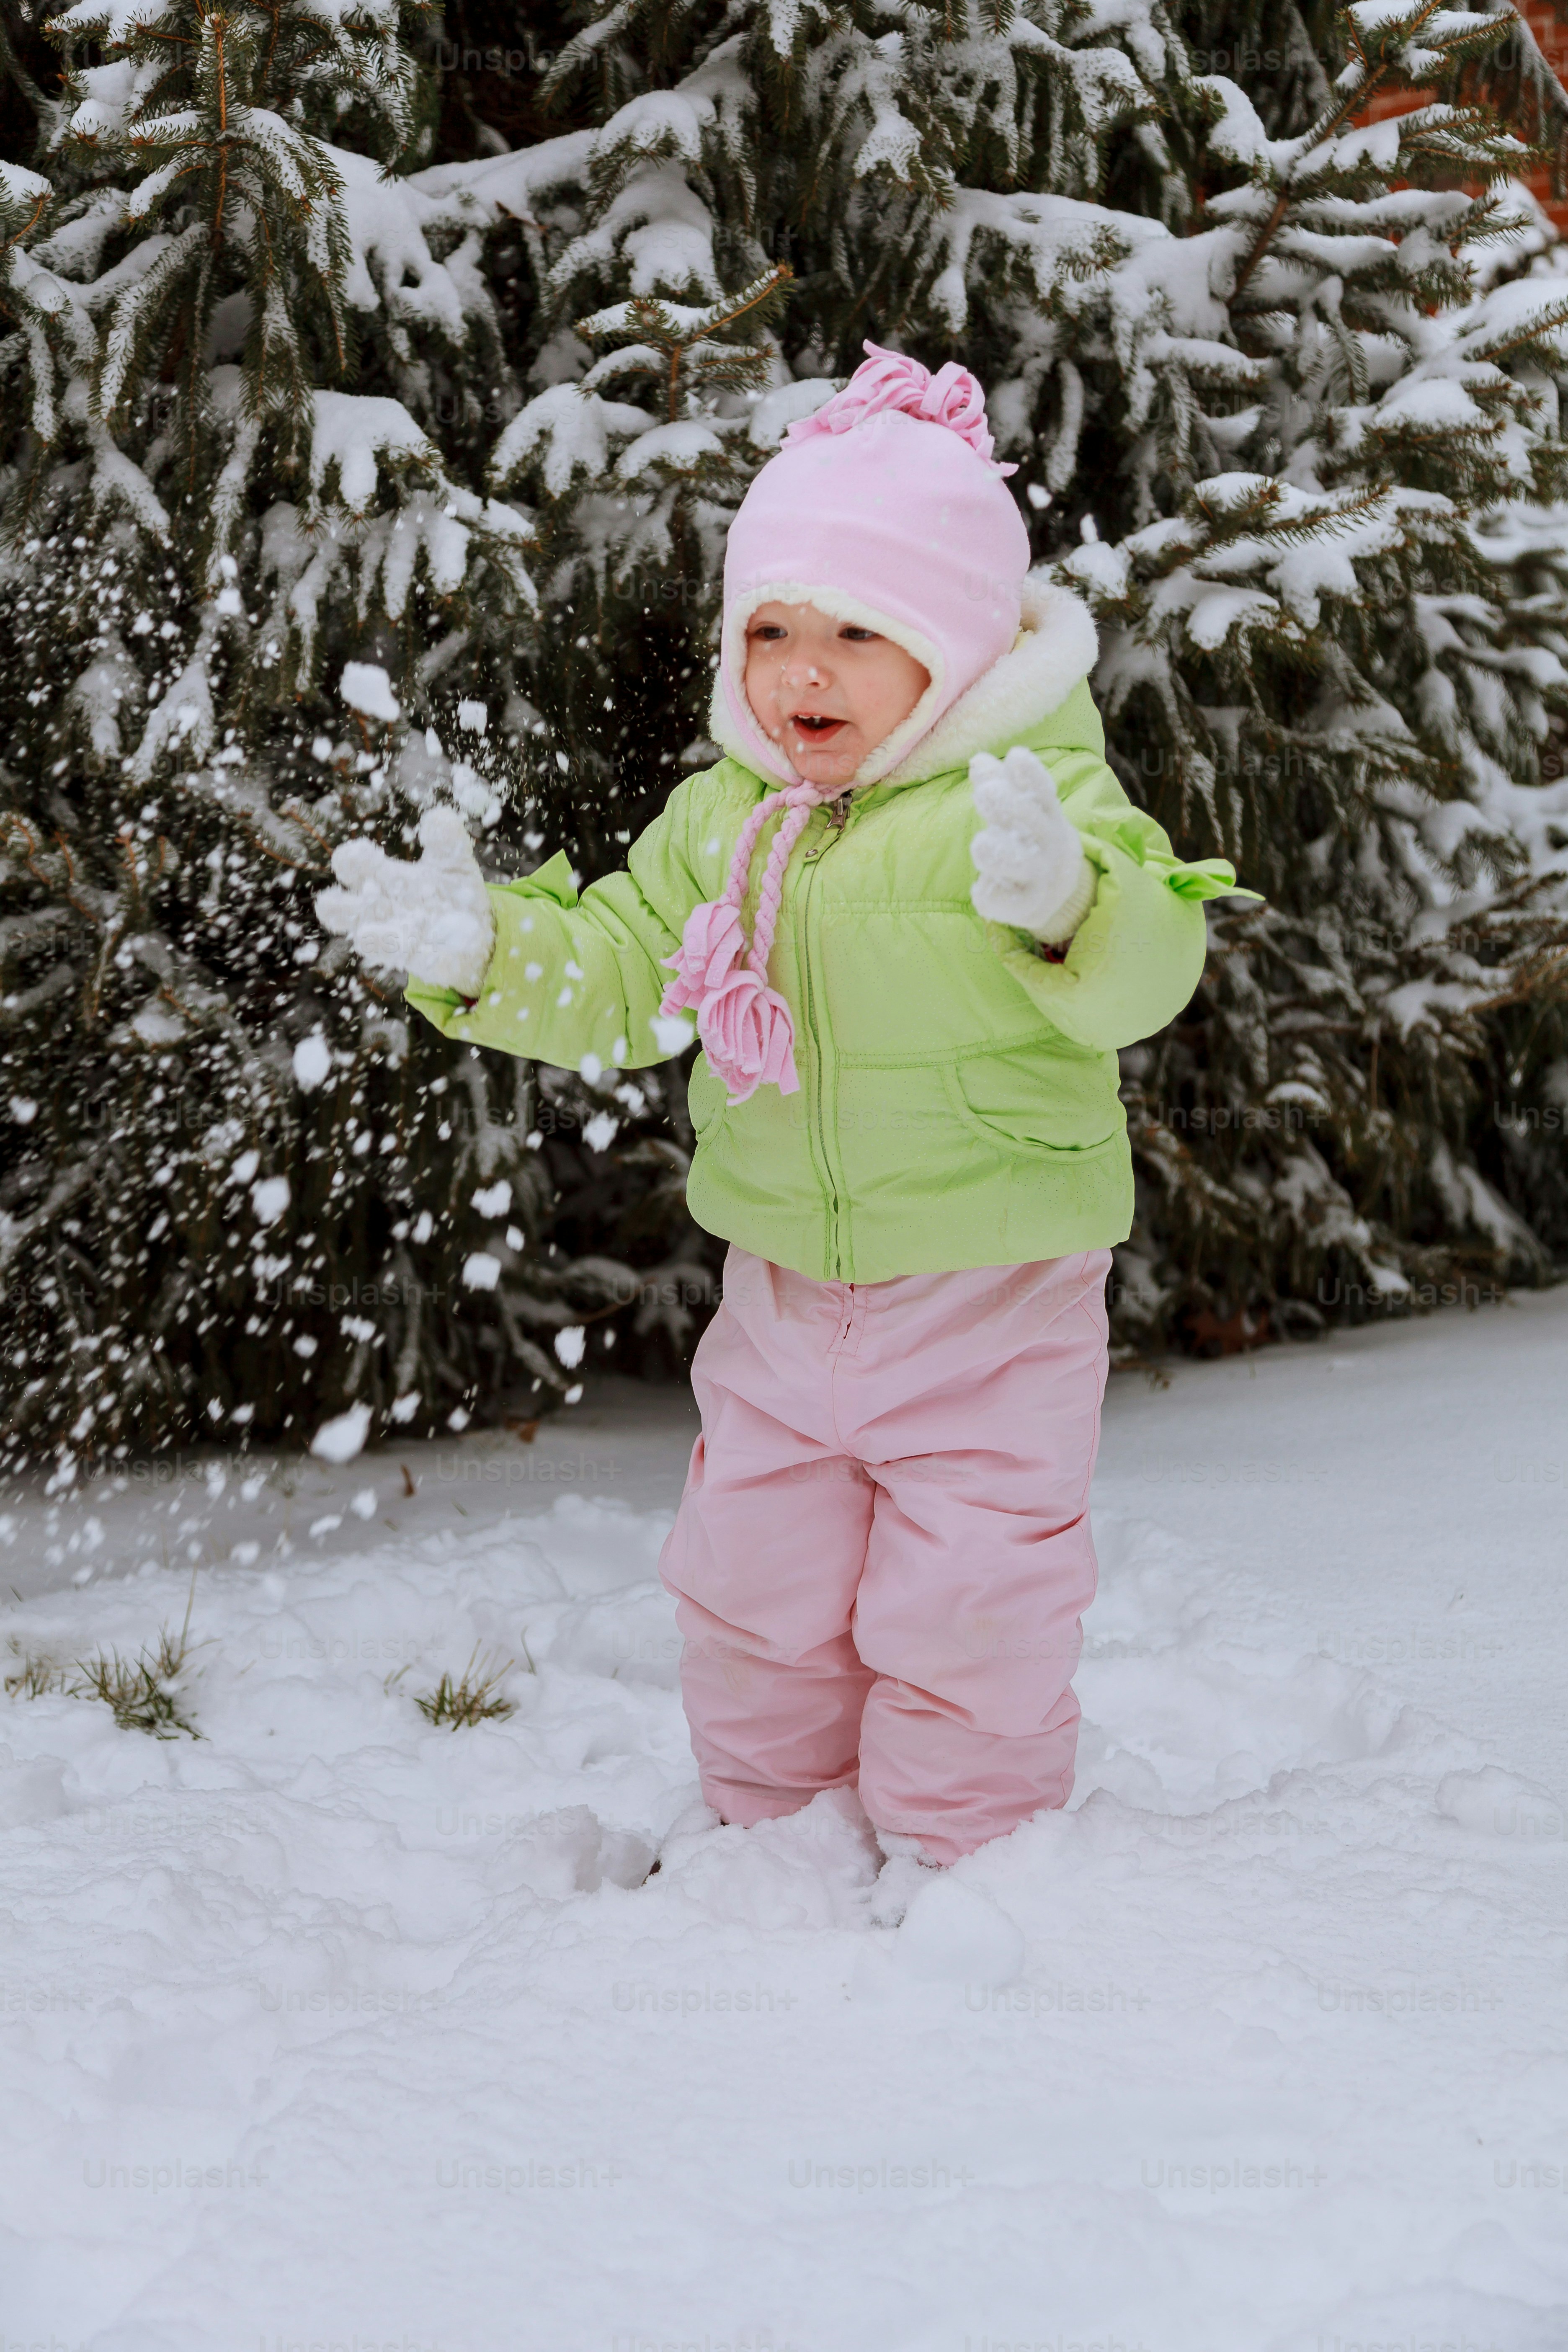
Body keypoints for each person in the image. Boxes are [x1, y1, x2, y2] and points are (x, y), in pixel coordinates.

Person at [318, 343, 1252, 1868]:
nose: (798, 670)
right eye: (770, 627)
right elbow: (627, 965)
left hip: (992, 1296)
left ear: (950, 646)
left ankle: (972, 1861)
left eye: (853, 631)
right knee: (751, 1583)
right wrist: (489, 949)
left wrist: (1074, 899)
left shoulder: (1027, 792)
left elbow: (1158, 954)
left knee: (971, 1602)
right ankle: (774, 1843)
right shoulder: (726, 822)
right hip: (781, 1297)